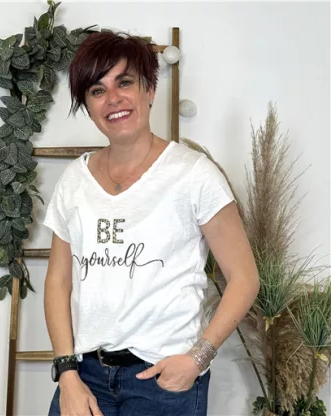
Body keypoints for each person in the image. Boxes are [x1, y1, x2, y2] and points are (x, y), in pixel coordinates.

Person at [43, 30, 260, 416]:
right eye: (97, 90)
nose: (113, 99)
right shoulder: (74, 180)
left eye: (125, 82)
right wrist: (67, 373)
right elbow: (58, 281)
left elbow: (244, 278)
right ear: (88, 106)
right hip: (85, 376)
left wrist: (197, 358)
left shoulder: (194, 174)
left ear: (150, 90)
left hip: (163, 379)